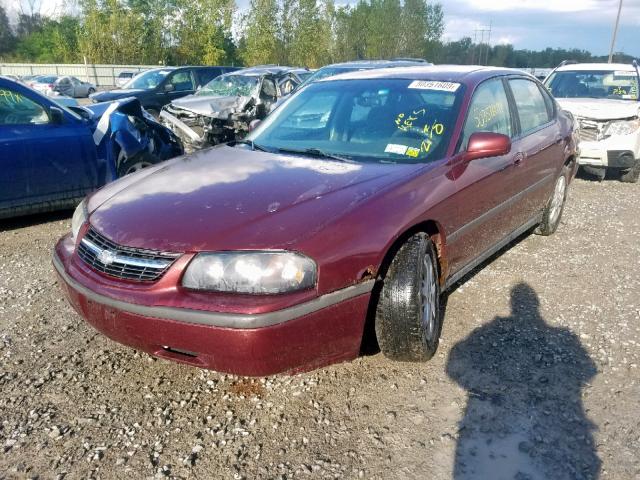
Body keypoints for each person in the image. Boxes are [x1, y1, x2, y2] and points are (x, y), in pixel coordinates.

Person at [446, 283, 600, 480]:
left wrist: (487, 386)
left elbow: (454, 364)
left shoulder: (491, 330)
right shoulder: (563, 336)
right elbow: (589, 369)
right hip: (543, 424)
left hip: (494, 429)